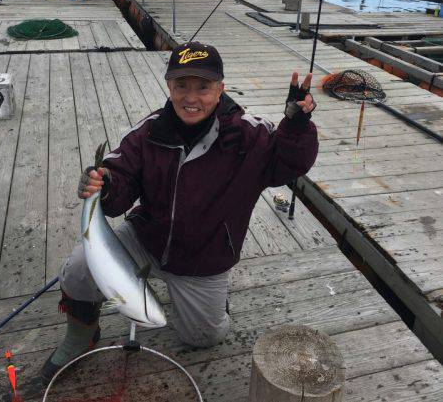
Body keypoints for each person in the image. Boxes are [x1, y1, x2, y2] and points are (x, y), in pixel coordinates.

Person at [40, 41, 318, 385]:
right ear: (169, 87)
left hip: (203, 259)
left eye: (203, 86)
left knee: (203, 338)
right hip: (147, 238)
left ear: (220, 89)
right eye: (181, 85)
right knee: (81, 265)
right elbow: (121, 181)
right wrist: (106, 182)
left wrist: (296, 125)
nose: (192, 97)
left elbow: (289, 164)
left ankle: (213, 303)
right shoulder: (148, 132)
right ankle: (81, 335)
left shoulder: (250, 134)